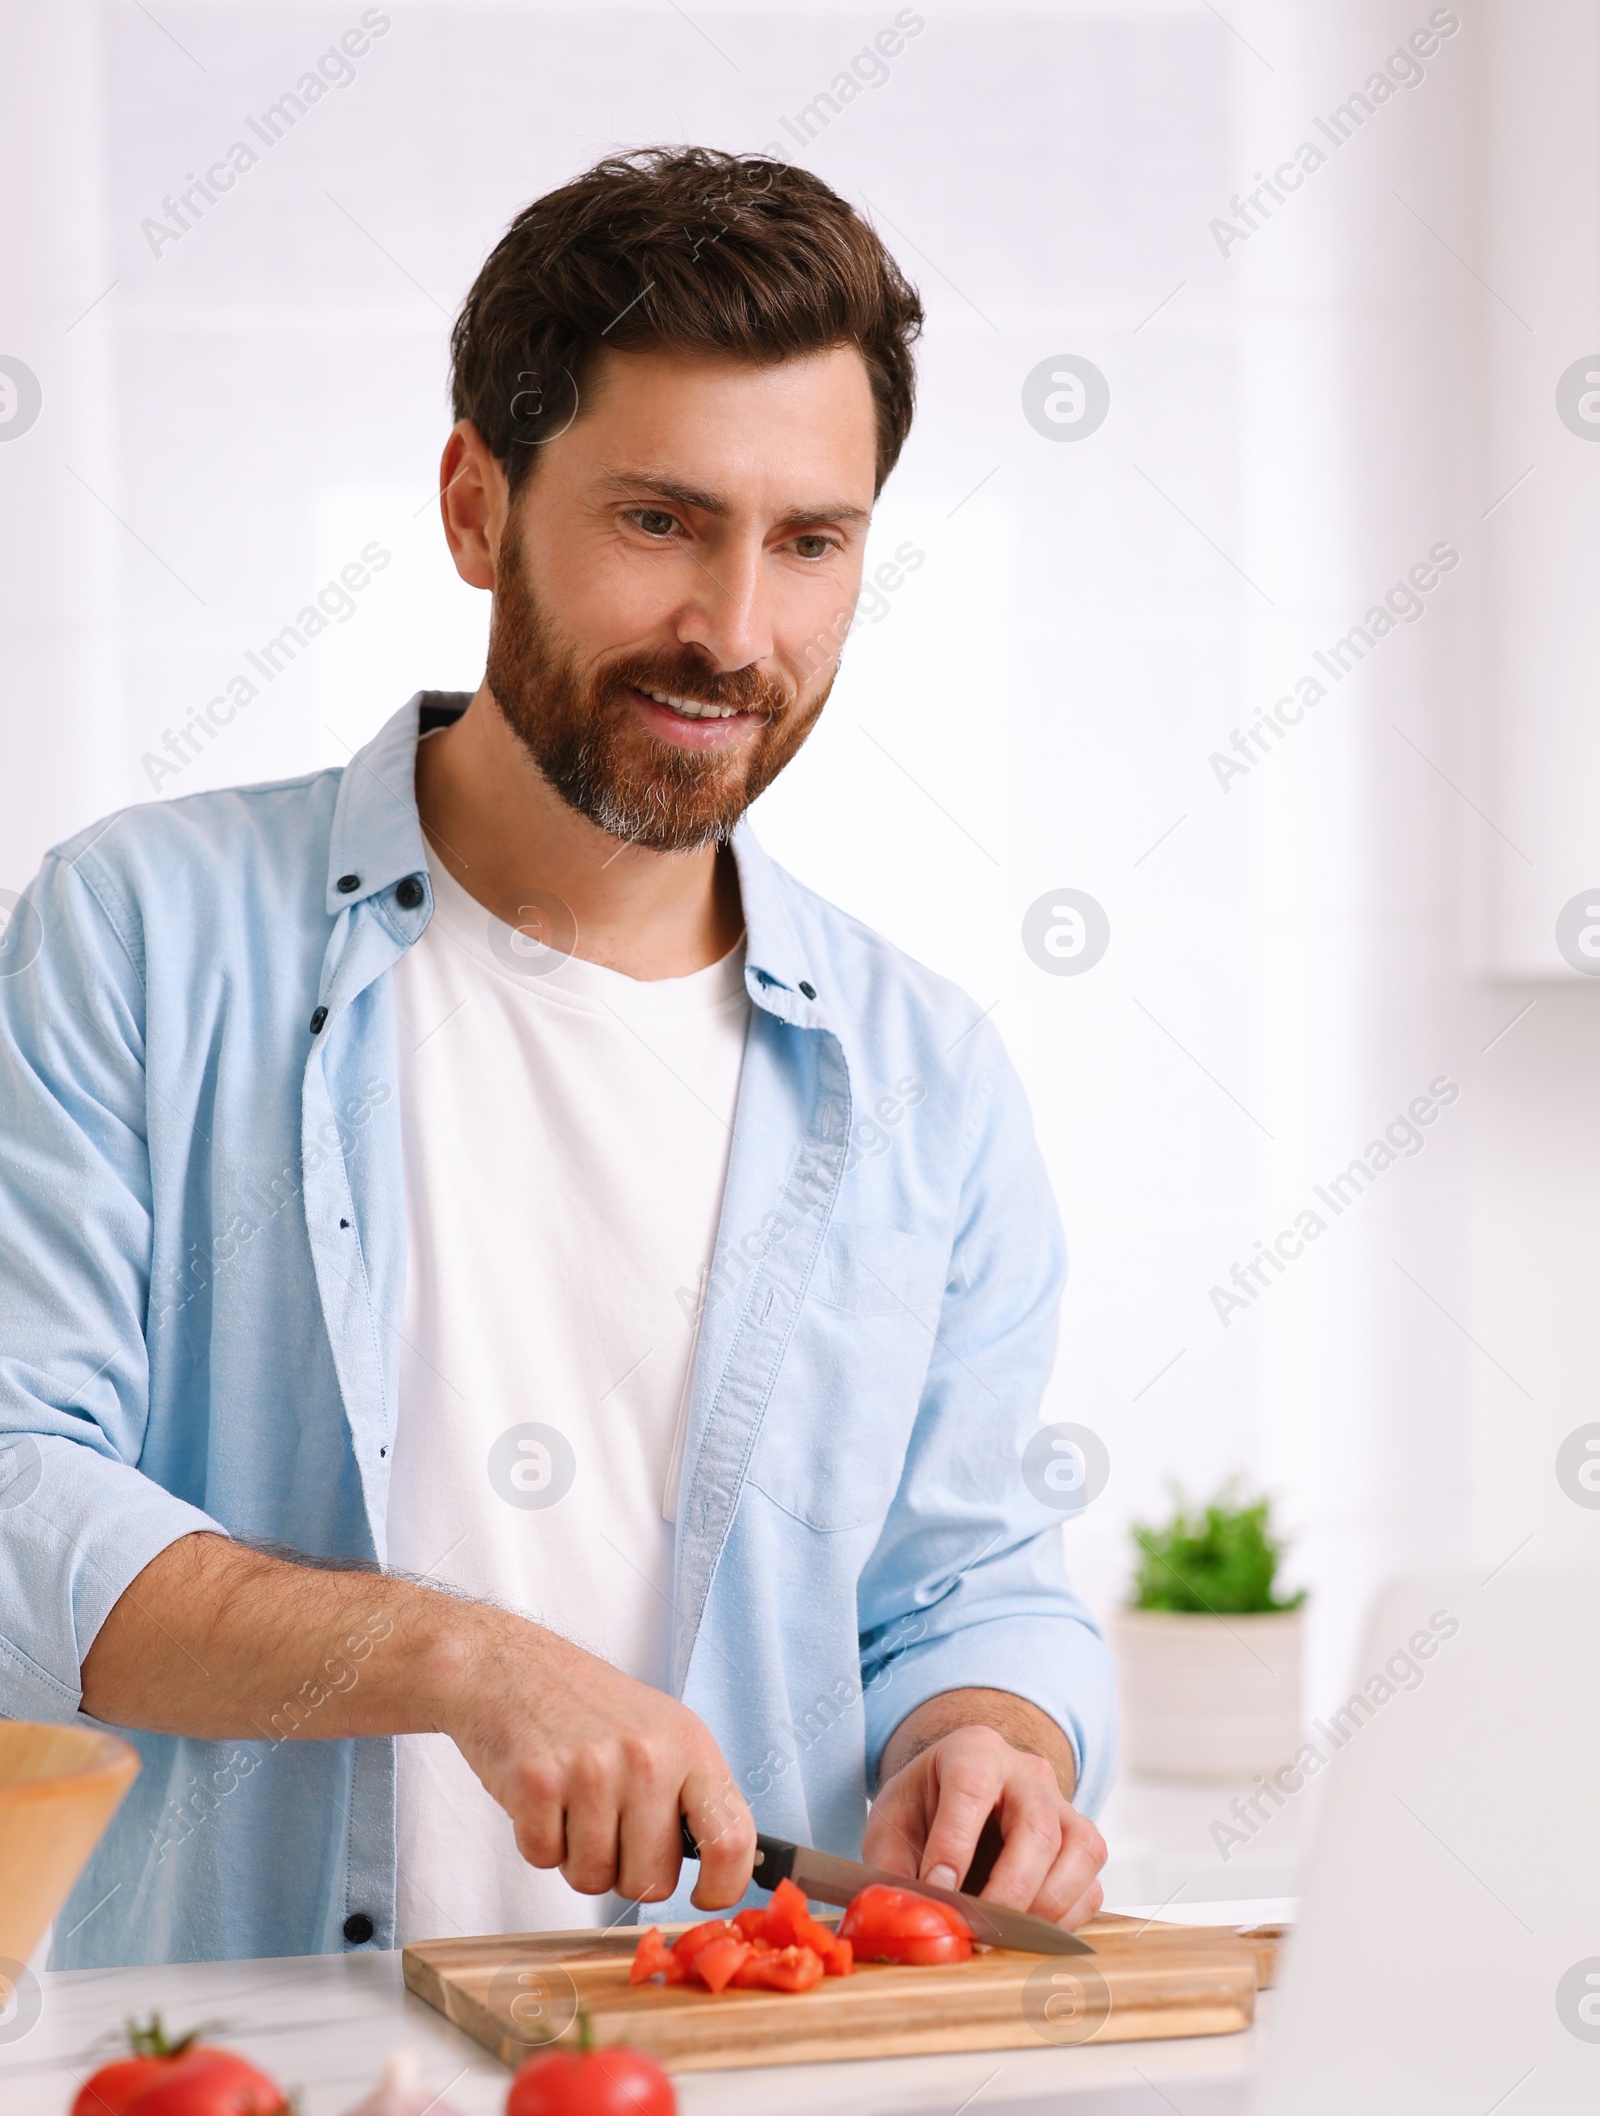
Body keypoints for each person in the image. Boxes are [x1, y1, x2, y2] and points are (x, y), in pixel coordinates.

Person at [0, 147, 1112, 1969]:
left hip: (762, 2067)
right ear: (473, 504)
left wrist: (989, 1741)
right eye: (661, 520)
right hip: (264, 2094)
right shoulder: (139, 934)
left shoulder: (931, 1072)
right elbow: (16, 1485)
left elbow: (970, 1580)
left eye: (811, 542)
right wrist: (459, 1656)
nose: (737, 633)